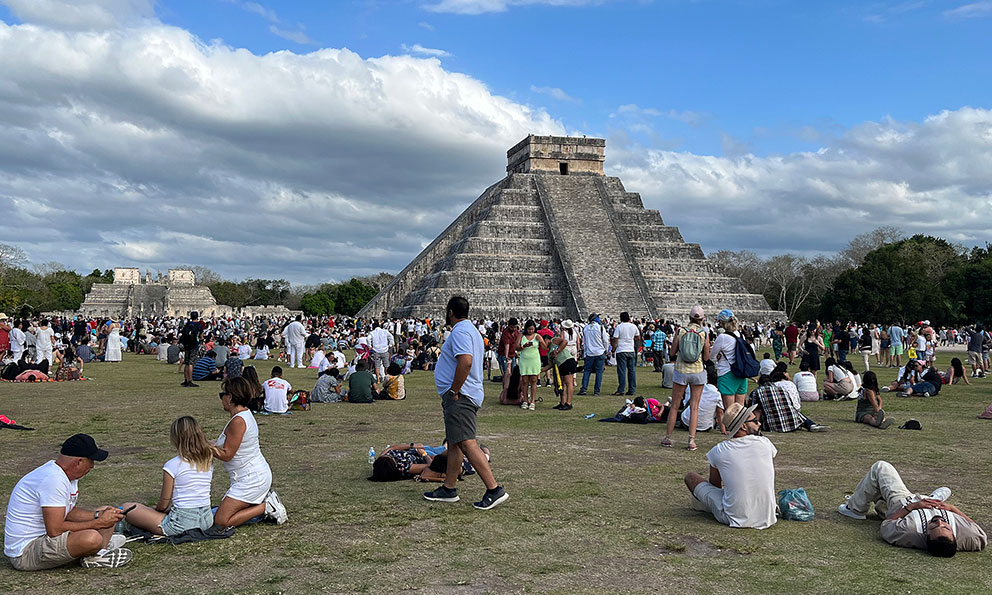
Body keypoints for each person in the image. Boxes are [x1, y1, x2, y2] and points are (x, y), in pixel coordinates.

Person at [423, 296, 508, 510]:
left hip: (461, 396)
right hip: (465, 393)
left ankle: (494, 489)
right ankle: (448, 488)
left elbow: (466, 361)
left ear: (451, 312)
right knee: (455, 442)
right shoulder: (471, 331)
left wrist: (454, 390)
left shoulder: (460, 331)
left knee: (467, 442)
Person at [4, 434, 132, 569]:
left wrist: (98, 515)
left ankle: (99, 550)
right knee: (92, 538)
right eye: (91, 461)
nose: (93, 466)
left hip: (43, 538)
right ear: (79, 462)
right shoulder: (53, 479)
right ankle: (94, 552)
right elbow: (54, 530)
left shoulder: (65, 475)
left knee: (108, 512)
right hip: (25, 553)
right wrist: (98, 523)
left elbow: (67, 512)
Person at [838, 461, 987, 556]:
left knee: (881, 467)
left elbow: (886, 525)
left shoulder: (909, 531)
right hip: (932, 504)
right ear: (954, 537)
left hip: (904, 502)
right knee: (946, 489)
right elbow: (976, 528)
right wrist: (952, 508)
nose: (940, 521)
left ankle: (855, 509)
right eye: (946, 527)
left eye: (934, 526)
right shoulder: (970, 537)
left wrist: (912, 507)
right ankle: (883, 504)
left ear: (926, 535)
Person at [683, 403, 777, 529]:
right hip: (768, 516)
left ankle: (706, 505)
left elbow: (714, 484)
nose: (759, 423)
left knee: (691, 477)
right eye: (755, 421)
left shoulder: (719, 451)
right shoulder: (765, 443)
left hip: (733, 517)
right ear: (743, 426)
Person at [119, 417, 216, 536]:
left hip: (181, 523)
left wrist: (155, 510)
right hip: (207, 520)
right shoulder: (207, 462)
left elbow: (163, 504)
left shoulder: (172, 465)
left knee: (127, 507)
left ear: (176, 438)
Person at [213, 377, 286, 527]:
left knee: (221, 521)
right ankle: (259, 506)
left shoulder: (238, 421)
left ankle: (266, 506)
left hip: (252, 479)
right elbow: (222, 445)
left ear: (231, 397)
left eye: (222, 395)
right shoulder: (242, 416)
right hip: (250, 476)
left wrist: (201, 447)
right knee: (222, 513)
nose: (221, 399)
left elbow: (227, 454)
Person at [662, 305, 711, 451]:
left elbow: (672, 353)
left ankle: (668, 438)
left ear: (689, 317)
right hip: (698, 371)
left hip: (681, 371)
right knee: (694, 407)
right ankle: (691, 441)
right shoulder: (704, 333)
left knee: (675, 406)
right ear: (702, 319)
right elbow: (707, 357)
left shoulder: (681, 331)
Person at [748, 372, 829, 433]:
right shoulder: (781, 389)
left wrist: (755, 425)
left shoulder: (757, 392)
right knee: (794, 411)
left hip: (773, 426)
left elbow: (757, 411)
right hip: (793, 423)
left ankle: (811, 425)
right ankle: (811, 425)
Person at [711, 309, 748, 411]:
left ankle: (731, 428)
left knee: (730, 411)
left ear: (722, 323)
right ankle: (741, 427)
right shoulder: (740, 335)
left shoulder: (722, 337)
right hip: (741, 373)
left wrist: (718, 359)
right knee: (740, 410)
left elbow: (712, 356)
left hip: (727, 373)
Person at [517, 320, 546, 411]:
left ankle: (532, 401)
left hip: (534, 360)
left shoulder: (537, 336)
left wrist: (541, 341)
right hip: (524, 360)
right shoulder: (521, 335)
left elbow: (545, 347)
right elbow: (516, 347)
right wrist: (523, 346)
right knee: (524, 381)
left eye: (532, 329)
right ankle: (525, 400)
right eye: (529, 329)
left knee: (534, 380)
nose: (530, 331)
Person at [578, 314, 610, 396]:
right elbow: (605, 341)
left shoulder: (586, 328)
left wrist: (585, 353)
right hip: (599, 352)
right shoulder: (600, 327)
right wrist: (605, 350)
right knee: (599, 372)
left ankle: (584, 388)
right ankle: (596, 391)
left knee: (587, 371)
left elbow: (584, 342)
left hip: (589, 353)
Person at [611, 312, 639, 396]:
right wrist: (630, 339)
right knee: (631, 370)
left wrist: (613, 350)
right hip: (630, 349)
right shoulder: (633, 326)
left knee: (622, 371)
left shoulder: (619, 327)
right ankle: (632, 389)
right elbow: (638, 337)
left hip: (621, 350)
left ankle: (621, 389)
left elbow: (615, 339)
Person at [180, 313, 202, 387]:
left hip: (187, 345)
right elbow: (200, 335)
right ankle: (190, 380)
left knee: (186, 362)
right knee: (191, 363)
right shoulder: (198, 325)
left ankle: (186, 379)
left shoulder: (187, 324)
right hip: (194, 345)